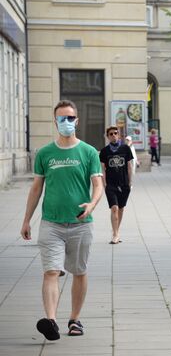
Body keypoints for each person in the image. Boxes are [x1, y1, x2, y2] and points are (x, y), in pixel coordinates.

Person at [20, 100, 103, 340]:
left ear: (76, 120)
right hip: (51, 224)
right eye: (61, 118)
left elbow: (98, 185)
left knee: (79, 271)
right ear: (54, 121)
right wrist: (27, 220)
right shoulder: (45, 153)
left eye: (70, 118)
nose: (66, 122)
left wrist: (92, 203)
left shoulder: (88, 152)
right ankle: (51, 321)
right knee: (51, 272)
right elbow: (36, 189)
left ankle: (75, 319)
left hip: (80, 224)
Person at [100, 126, 133, 244]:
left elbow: (129, 166)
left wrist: (130, 183)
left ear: (119, 135)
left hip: (124, 184)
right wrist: (104, 184)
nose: (113, 135)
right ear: (107, 136)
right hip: (111, 185)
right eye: (111, 134)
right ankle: (115, 234)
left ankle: (117, 232)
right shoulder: (104, 151)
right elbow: (103, 169)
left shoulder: (125, 148)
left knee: (121, 208)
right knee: (114, 208)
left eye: (115, 133)